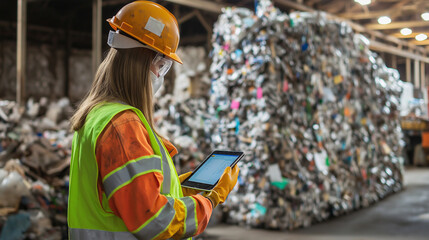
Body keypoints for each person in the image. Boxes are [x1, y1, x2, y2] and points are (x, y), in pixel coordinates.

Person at [67, 1, 240, 239]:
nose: (160, 76)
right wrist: (210, 199)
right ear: (141, 63)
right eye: (161, 65)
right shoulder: (122, 126)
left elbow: (121, 195)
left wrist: (183, 187)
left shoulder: (98, 115)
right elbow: (154, 220)